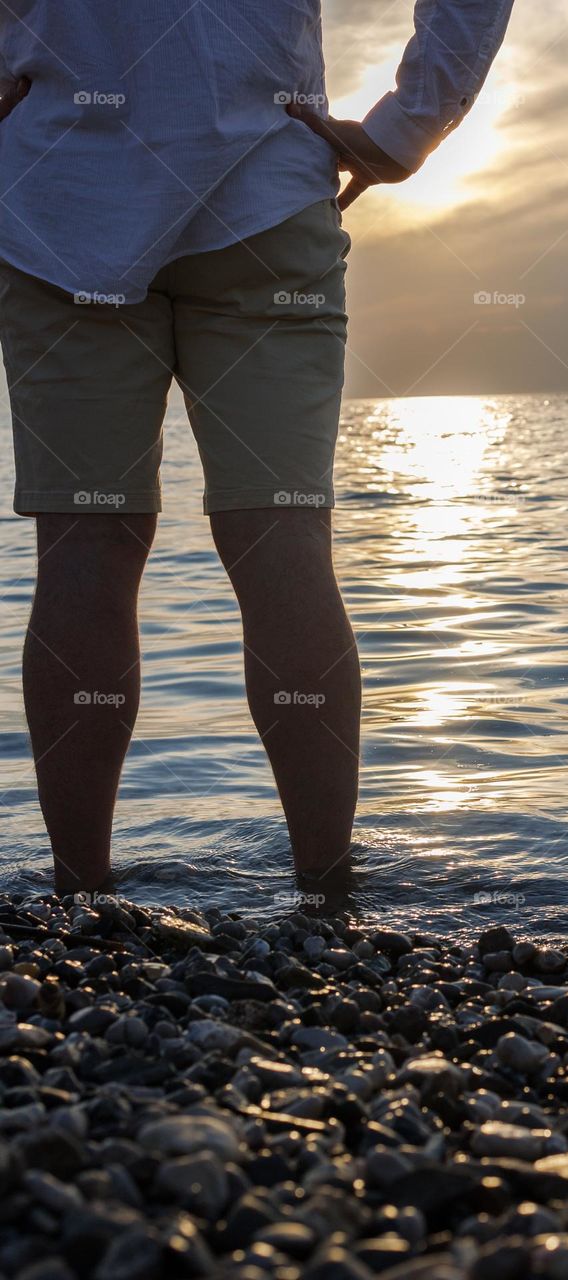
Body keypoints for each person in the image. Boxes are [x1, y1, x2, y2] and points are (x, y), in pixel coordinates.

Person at [0, 1, 515, 895]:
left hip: (61, 193)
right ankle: (325, 895)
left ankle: (79, 903)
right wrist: (410, 123)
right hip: (261, 194)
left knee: (84, 546)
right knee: (281, 540)